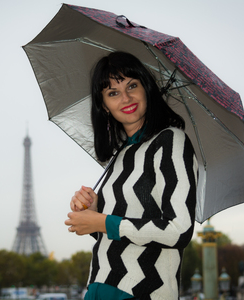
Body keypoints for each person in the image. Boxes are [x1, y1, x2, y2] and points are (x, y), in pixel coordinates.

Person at [65, 51, 197, 300]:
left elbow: (179, 230)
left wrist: (103, 221)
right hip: (98, 288)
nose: (125, 97)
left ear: (146, 88)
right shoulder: (120, 154)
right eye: (113, 92)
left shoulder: (170, 140)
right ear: (104, 105)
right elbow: (119, 232)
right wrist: (92, 210)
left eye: (132, 86)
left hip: (142, 291)